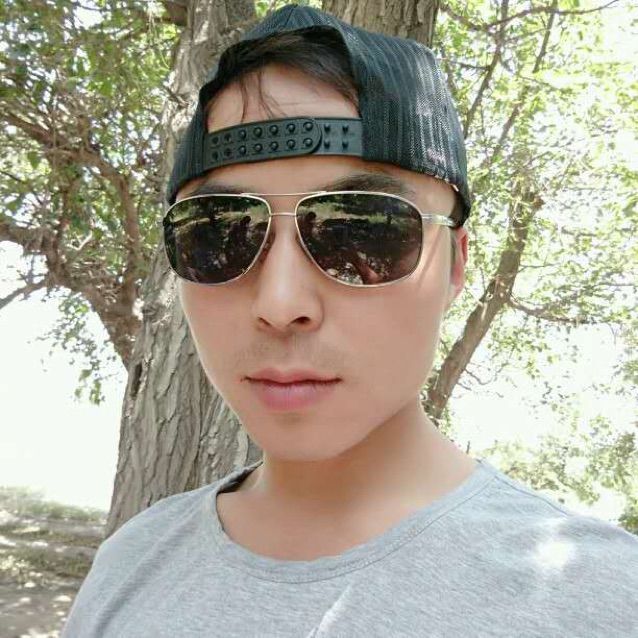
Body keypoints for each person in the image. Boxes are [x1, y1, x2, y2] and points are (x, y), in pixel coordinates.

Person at [61, 4, 638, 637]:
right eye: (218, 234)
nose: (280, 304)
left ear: (454, 266)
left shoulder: (601, 600)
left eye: (363, 230)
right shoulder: (129, 564)